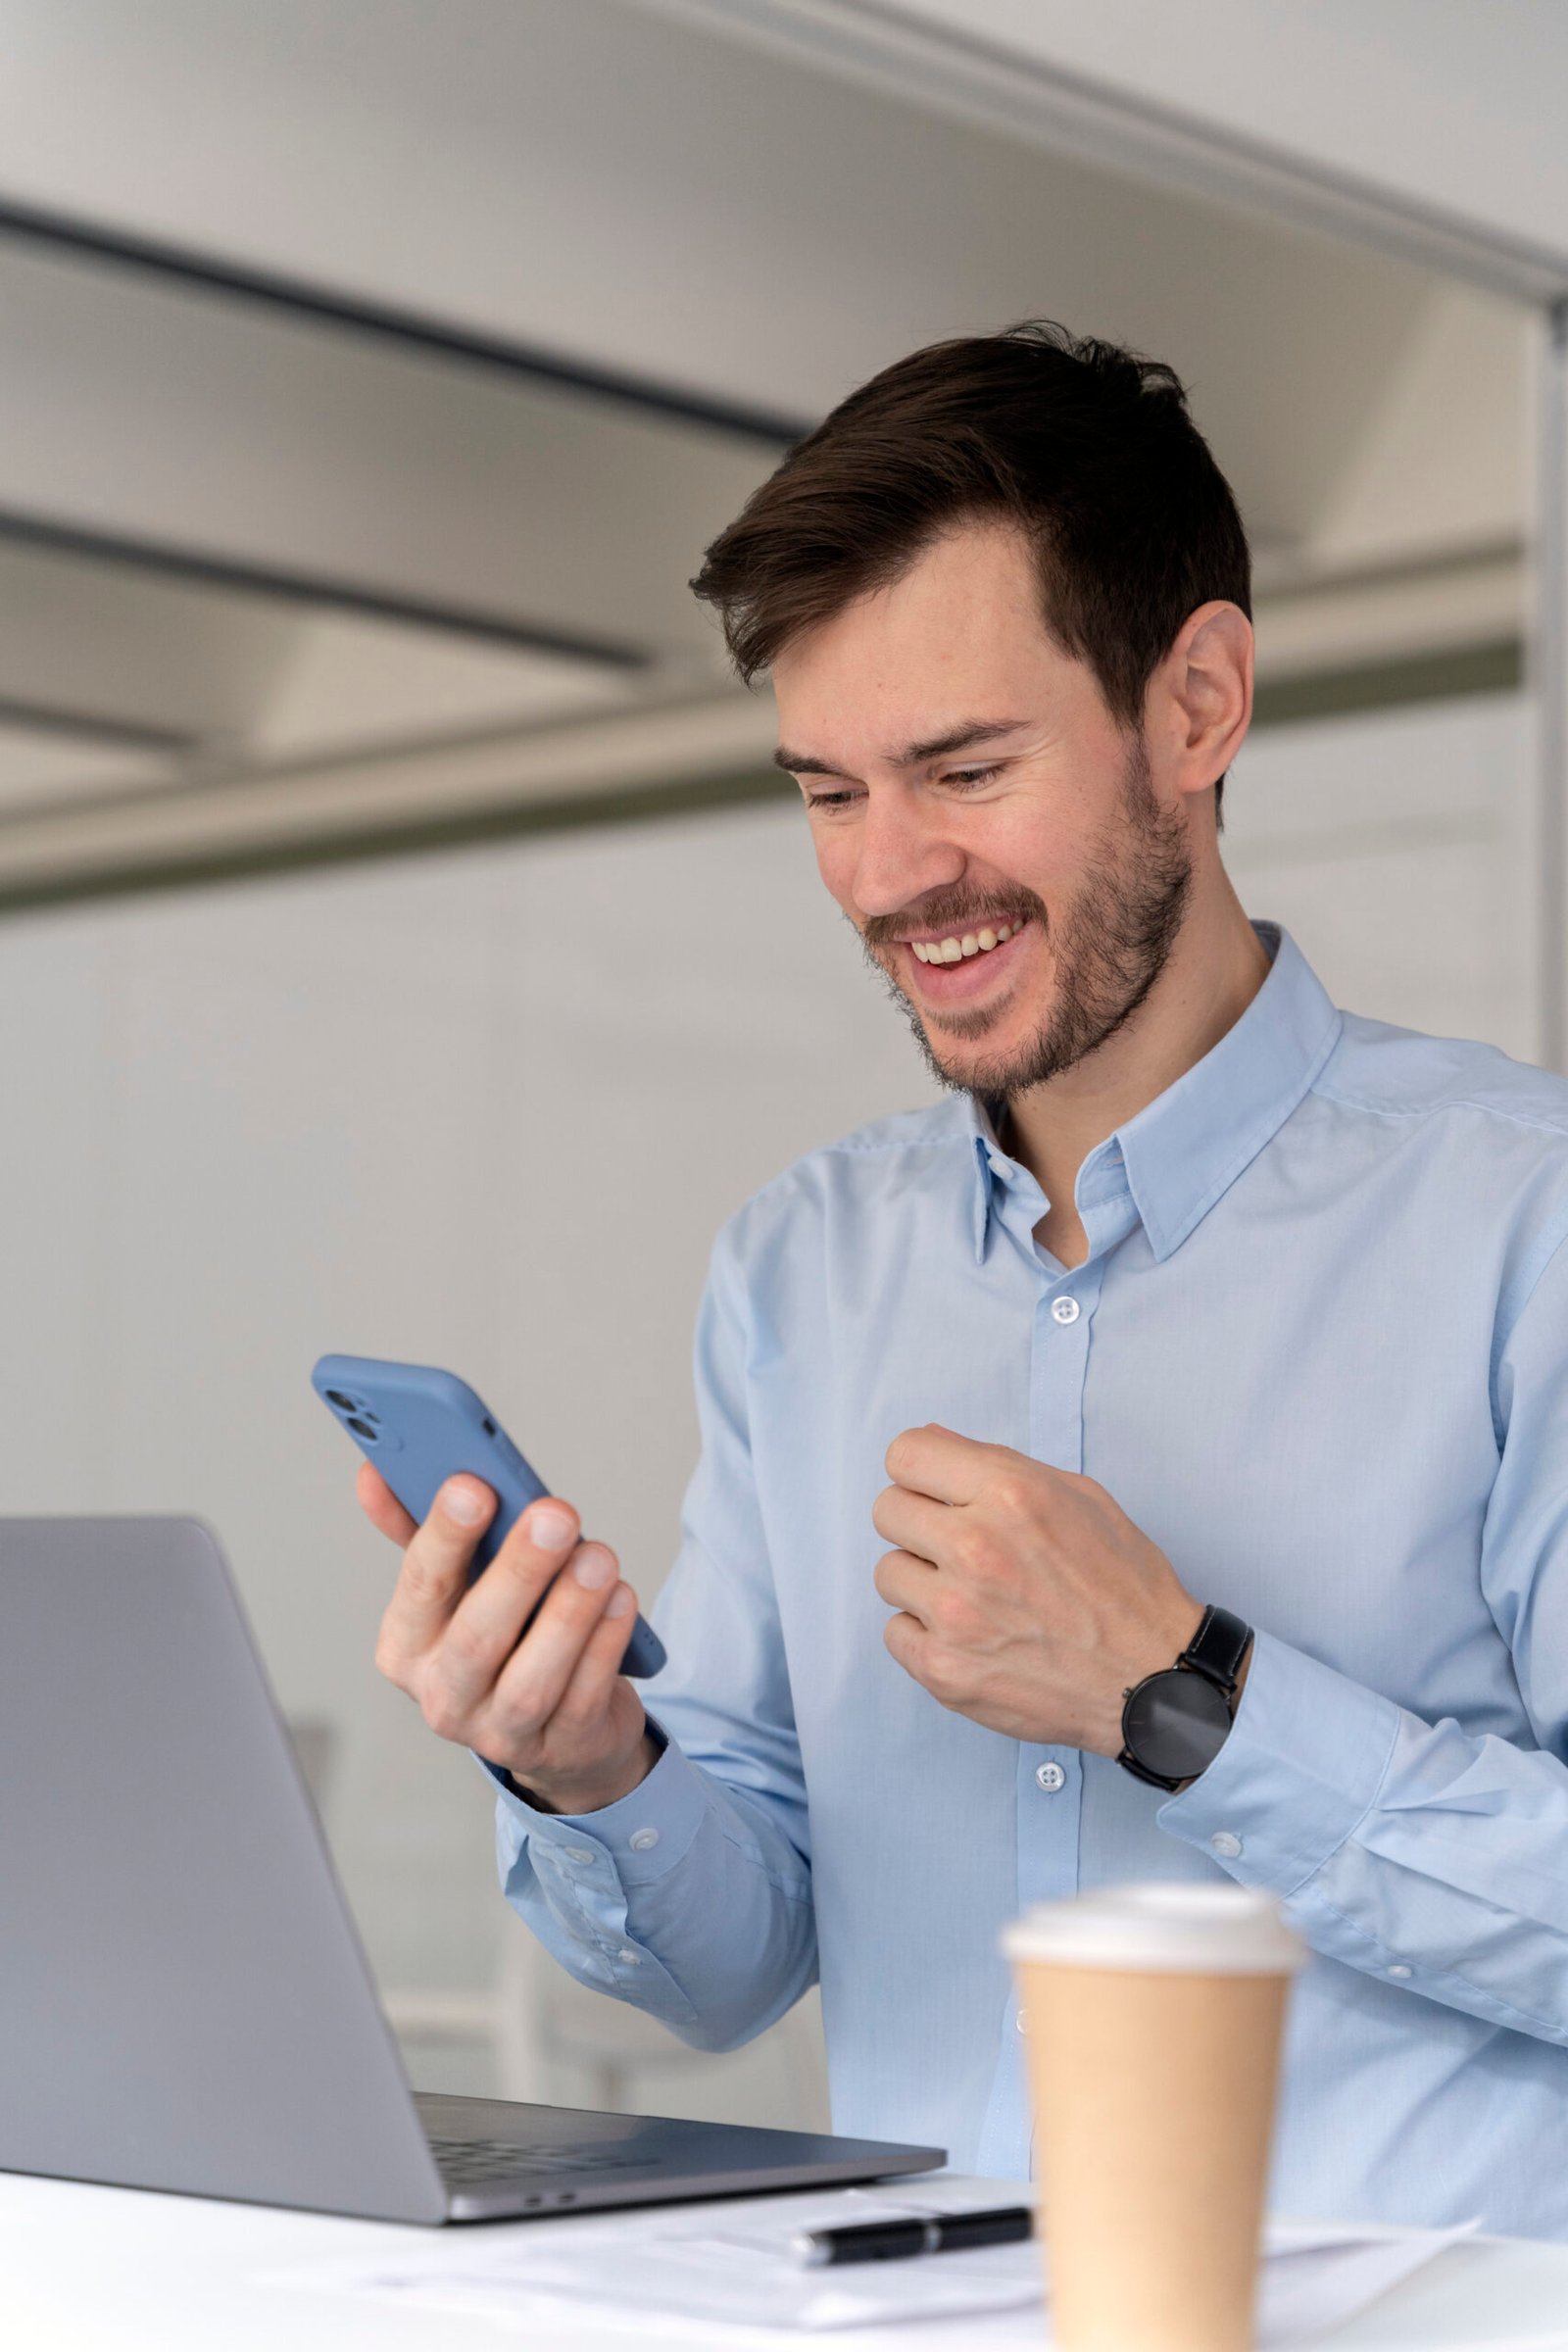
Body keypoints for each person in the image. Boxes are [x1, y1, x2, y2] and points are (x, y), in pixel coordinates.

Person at [363, 322, 1568, 2238]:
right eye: (827, 793)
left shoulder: (1525, 1226)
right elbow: (725, 1962)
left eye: (959, 768)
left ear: (1193, 707)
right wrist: (587, 1768)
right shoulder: (794, 1272)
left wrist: (1181, 1696)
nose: (884, 874)